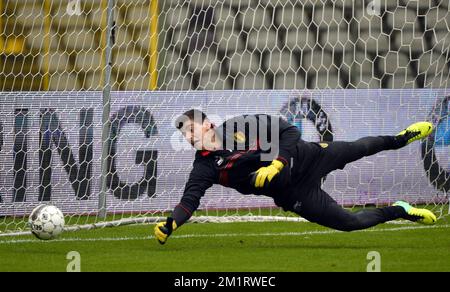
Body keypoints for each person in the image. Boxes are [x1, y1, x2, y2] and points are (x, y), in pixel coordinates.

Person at [154, 109, 437, 244]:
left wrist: (277, 163)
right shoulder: (204, 168)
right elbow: (190, 200)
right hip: (294, 193)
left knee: (359, 148)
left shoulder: (241, 125)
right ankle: (400, 210)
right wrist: (171, 224)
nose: (189, 138)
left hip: (307, 157)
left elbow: (290, 132)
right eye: (184, 134)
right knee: (349, 224)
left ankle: (400, 139)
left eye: (191, 130)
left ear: (208, 125)